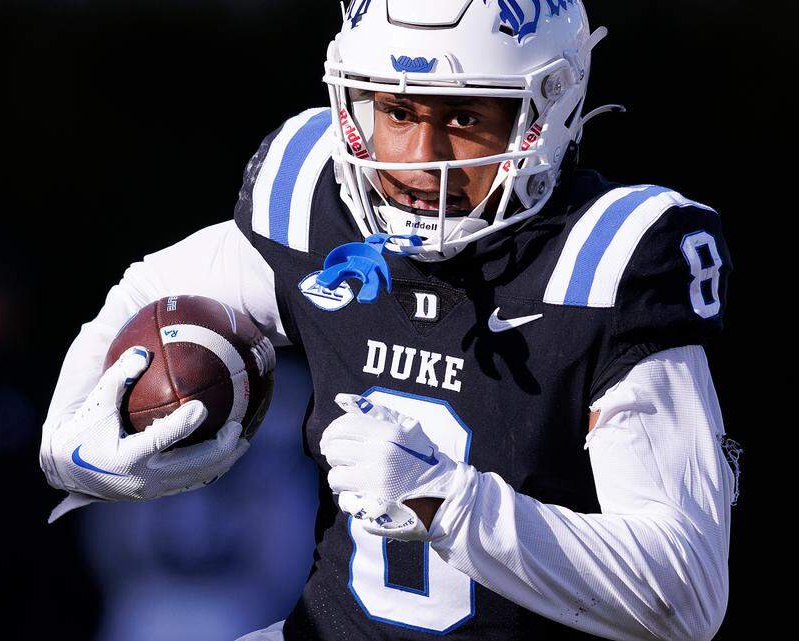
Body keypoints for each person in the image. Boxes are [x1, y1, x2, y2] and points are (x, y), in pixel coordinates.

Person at [39, 1, 740, 639]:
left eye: (464, 117)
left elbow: (682, 594)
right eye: (398, 112)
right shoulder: (318, 206)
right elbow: (150, 291)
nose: (418, 160)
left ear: (545, 116)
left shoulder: (604, 266)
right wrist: (69, 443)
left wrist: (444, 498)